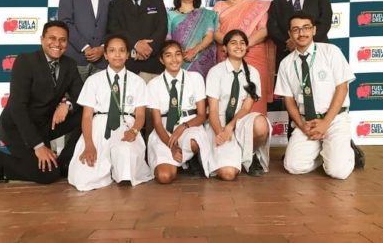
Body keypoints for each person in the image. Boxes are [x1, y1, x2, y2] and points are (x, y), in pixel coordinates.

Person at [0, 21, 83, 184]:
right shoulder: (25, 61)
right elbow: (18, 108)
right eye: (52, 38)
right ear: (42, 39)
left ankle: (65, 163)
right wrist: (38, 146)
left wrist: (67, 104)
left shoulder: (69, 64)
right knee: (48, 175)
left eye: (62, 40)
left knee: (88, 114)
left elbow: (82, 94)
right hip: (18, 129)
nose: (57, 44)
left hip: (45, 124)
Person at [274, 11, 357, 179]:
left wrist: (326, 123)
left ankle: (346, 152)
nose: (301, 33)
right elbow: (289, 100)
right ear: (290, 34)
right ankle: (324, 152)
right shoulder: (286, 64)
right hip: (307, 122)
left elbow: (342, 89)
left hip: (334, 119)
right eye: (295, 29)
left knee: (338, 172)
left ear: (314, 30)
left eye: (306, 28)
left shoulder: (331, 52)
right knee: (293, 166)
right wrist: (302, 125)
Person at [68, 34, 153, 191]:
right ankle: (106, 170)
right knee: (82, 179)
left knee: (126, 168)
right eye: (112, 50)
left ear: (128, 54)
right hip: (99, 129)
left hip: (126, 128)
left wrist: (134, 131)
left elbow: (140, 115)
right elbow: (87, 116)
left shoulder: (137, 81)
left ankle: (118, 171)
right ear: (105, 55)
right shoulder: (93, 80)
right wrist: (89, 145)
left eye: (122, 50)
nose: (117, 54)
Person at [206, 30, 271, 181]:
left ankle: (251, 155)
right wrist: (220, 133)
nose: (238, 46)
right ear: (225, 48)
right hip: (218, 123)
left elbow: (246, 108)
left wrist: (231, 127)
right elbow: (213, 110)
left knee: (261, 124)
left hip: (240, 121)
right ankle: (233, 156)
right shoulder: (215, 72)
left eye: (242, 43)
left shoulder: (253, 73)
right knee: (227, 174)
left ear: (247, 48)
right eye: (233, 43)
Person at [147, 40, 211, 184]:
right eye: (168, 56)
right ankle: (181, 161)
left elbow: (201, 115)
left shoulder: (195, 78)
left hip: (190, 124)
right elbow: (157, 122)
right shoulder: (153, 84)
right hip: (164, 130)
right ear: (161, 60)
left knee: (194, 141)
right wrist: (172, 147)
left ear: (183, 56)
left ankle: (192, 157)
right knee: (164, 177)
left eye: (178, 54)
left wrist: (183, 127)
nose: (174, 59)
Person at [214, 0, 275, 116]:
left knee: (254, 102)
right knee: (229, 100)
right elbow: (215, 32)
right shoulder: (220, 6)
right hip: (227, 56)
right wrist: (232, 47)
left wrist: (243, 46)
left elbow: (263, 31)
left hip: (254, 54)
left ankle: (256, 134)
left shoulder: (258, 6)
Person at [107, 0, 167, 83]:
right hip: (127, 65)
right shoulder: (115, 5)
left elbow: (162, 29)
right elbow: (114, 29)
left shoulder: (158, 3)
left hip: (152, 65)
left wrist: (148, 49)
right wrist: (135, 44)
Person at [267, 0, 332, 71]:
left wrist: (303, 42)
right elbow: (273, 29)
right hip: (289, 55)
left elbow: (325, 23)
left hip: (318, 52)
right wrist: (290, 43)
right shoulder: (277, 3)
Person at [58, 0, 111, 81]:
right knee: (74, 99)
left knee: (99, 99)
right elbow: (65, 22)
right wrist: (85, 47)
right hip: (76, 59)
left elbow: (112, 28)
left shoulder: (109, 0)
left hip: (101, 63)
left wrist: (102, 48)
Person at [167, 0, 218, 79]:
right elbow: (168, 38)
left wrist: (194, 51)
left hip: (201, 63)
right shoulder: (170, 15)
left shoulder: (206, 14)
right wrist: (180, 53)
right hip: (177, 61)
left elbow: (209, 36)